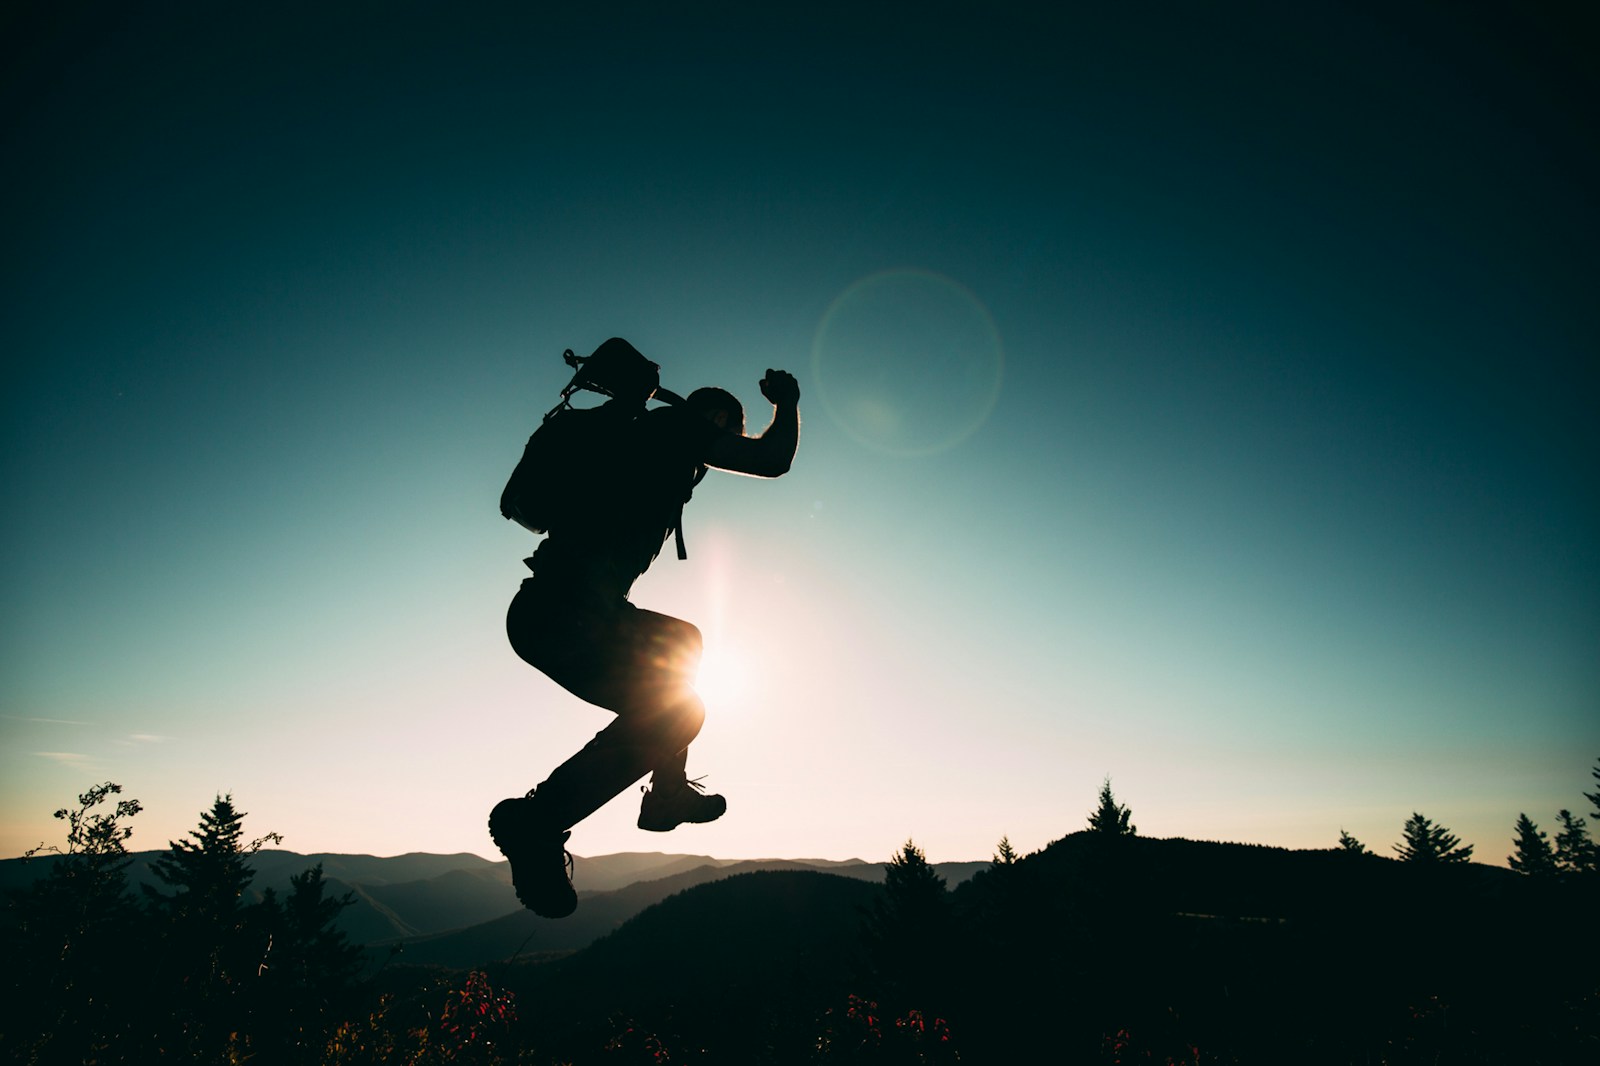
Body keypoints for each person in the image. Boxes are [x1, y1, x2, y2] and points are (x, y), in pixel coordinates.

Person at [490, 338, 800, 918]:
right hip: (564, 613)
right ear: (713, 420)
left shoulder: (636, 440)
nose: (726, 443)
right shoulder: (674, 433)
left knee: (680, 646)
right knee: (681, 707)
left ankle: (665, 795)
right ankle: (538, 823)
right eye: (729, 428)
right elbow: (771, 459)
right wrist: (787, 403)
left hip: (553, 612)